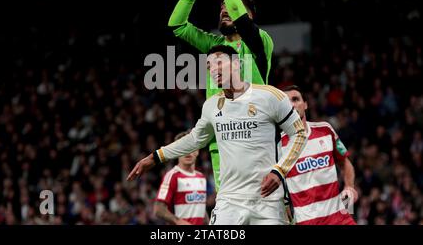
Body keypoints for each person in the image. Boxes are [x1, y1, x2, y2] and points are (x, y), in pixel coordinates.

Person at [128, 45, 307, 225]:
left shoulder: (270, 96)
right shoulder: (211, 105)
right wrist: (155, 157)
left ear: (236, 64)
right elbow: (194, 139)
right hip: (229, 201)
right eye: (209, 66)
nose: (213, 69)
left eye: (218, 62)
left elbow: (299, 133)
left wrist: (279, 171)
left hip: (268, 201)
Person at [168, 0, 274, 192]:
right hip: (221, 140)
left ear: (249, 16)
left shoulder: (260, 42)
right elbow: (177, 26)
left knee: (264, 205)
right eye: (222, 8)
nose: (224, 10)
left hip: (254, 137)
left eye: (232, 8)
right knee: (229, 210)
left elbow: (244, 27)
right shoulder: (214, 45)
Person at [280, 85, 358, 225]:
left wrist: (349, 188)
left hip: (340, 219)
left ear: (305, 104)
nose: (292, 104)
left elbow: (345, 163)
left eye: (296, 99)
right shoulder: (278, 145)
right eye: (287, 102)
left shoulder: (325, 130)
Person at [153, 131, 208, 225]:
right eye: (183, 148)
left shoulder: (201, 177)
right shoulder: (172, 176)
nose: (187, 152)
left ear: (197, 150)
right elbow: (158, 209)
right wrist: (178, 221)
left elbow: (201, 208)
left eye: (191, 147)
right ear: (177, 152)